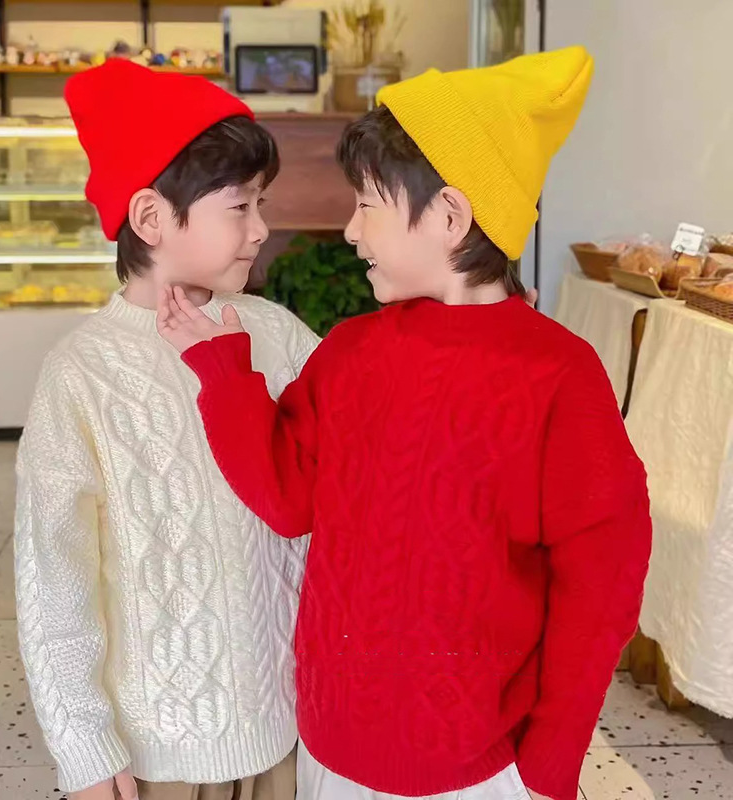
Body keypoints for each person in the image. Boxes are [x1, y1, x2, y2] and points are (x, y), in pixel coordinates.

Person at [157, 47, 652, 800]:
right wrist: (224, 372)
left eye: (367, 204)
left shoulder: (559, 375)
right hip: (334, 744)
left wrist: (551, 758)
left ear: (449, 216)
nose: (350, 231)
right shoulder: (351, 352)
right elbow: (287, 498)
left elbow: (601, 587)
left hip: (483, 769)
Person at [14, 59, 318, 800]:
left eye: (263, 203)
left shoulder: (277, 335)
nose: (262, 228)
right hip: (160, 751)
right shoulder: (82, 373)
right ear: (151, 219)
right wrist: (84, 742)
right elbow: (54, 577)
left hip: (290, 730)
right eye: (239, 206)